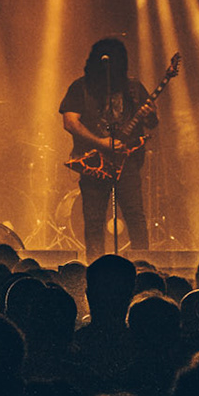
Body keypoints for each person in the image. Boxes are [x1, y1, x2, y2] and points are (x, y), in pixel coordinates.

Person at [59, 38, 159, 258]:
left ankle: (142, 266)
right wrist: (101, 142)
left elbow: (152, 123)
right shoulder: (80, 87)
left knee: (135, 215)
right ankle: (96, 266)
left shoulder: (133, 88)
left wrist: (151, 114)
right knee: (94, 219)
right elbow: (70, 122)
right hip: (93, 162)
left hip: (127, 161)